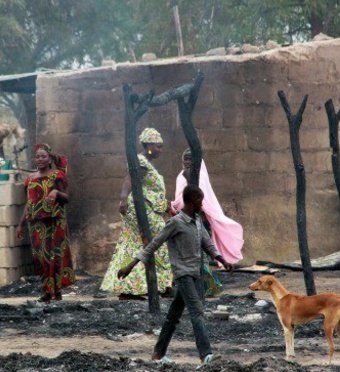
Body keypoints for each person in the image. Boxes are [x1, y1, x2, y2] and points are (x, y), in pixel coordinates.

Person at [117, 184, 233, 368]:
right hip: (183, 275)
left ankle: (158, 354)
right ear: (192, 200)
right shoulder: (175, 223)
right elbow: (154, 244)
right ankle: (206, 356)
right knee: (197, 313)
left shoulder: (196, 221)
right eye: (200, 201)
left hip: (195, 274)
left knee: (173, 316)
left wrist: (222, 260)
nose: (202, 205)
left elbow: (207, 245)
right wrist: (131, 265)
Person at [100, 127, 173, 300]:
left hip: (148, 208)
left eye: (161, 147)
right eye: (157, 146)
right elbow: (129, 180)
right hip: (140, 210)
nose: (159, 150)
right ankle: (162, 287)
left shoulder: (145, 162)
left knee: (137, 245)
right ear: (148, 145)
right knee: (158, 241)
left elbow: (149, 189)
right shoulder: (140, 161)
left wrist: (167, 206)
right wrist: (123, 199)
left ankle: (135, 289)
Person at [171, 148, 244, 297]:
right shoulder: (181, 177)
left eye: (191, 159)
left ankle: (206, 286)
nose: (188, 162)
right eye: (186, 158)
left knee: (199, 254)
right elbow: (181, 199)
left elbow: (199, 200)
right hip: (184, 220)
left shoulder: (200, 176)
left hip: (200, 220)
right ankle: (199, 287)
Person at [16, 143, 75, 303]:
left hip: (55, 222)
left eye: (43, 156)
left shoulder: (57, 175)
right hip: (35, 223)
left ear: (49, 159)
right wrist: (20, 224)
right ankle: (47, 292)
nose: (40, 159)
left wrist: (56, 192)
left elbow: (67, 197)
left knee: (55, 257)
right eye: (38, 157)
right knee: (41, 258)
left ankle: (57, 292)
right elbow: (29, 203)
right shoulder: (30, 179)